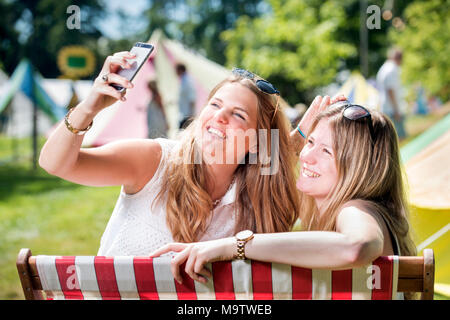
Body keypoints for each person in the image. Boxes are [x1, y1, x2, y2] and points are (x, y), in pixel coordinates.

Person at [39, 51, 337, 257]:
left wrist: (297, 139)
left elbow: (270, 157)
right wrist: (89, 106)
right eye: (215, 105)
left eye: (238, 115)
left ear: (258, 143)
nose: (219, 118)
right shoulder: (154, 161)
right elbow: (57, 164)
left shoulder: (256, 197)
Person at [151, 100, 416, 300]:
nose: (306, 156)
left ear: (359, 167)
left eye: (326, 150)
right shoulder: (362, 211)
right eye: (310, 142)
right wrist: (295, 136)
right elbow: (260, 168)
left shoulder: (357, 210)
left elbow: (356, 246)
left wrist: (235, 245)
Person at [376, 48, 407, 141]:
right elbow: (390, 90)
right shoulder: (391, 69)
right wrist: (396, 109)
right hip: (391, 108)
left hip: (386, 107)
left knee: (393, 138)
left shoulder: (384, 68)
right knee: (399, 137)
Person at [176, 63, 196, 129]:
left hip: (187, 116)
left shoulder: (188, 81)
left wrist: (191, 116)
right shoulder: (183, 81)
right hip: (183, 115)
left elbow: (192, 99)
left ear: (180, 70)